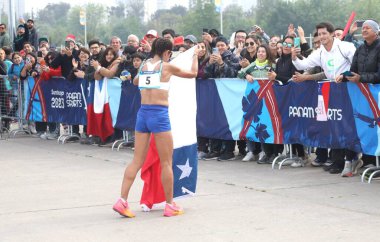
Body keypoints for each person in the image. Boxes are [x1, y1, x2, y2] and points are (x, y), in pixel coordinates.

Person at [112, 38, 199, 218]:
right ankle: (169, 204)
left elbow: (135, 82)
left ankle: (122, 200)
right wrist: (195, 56)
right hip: (159, 115)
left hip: (143, 114)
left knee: (136, 161)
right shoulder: (167, 67)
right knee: (166, 162)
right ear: (167, 52)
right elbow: (193, 73)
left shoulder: (144, 65)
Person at [292, 22, 356, 174]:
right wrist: (294, 57)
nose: (321, 37)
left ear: (332, 33)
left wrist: (345, 76)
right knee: (334, 127)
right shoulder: (320, 52)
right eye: (319, 34)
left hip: (349, 90)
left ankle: (350, 160)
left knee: (347, 127)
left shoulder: (345, 47)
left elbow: (357, 66)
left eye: (324, 34)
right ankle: (337, 161)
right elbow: (303, 65)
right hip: (332, 92)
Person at [336, 20, 380, 177]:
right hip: (361, 95)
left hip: (377, 96)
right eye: (364, 28)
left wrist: (361, 78)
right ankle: (365, 161)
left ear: (376, 31)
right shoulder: (360, 48)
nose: (364, 30)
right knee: (361, 125)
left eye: (368, 28)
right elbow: (353, 69)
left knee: (376, 128)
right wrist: (344, 76)